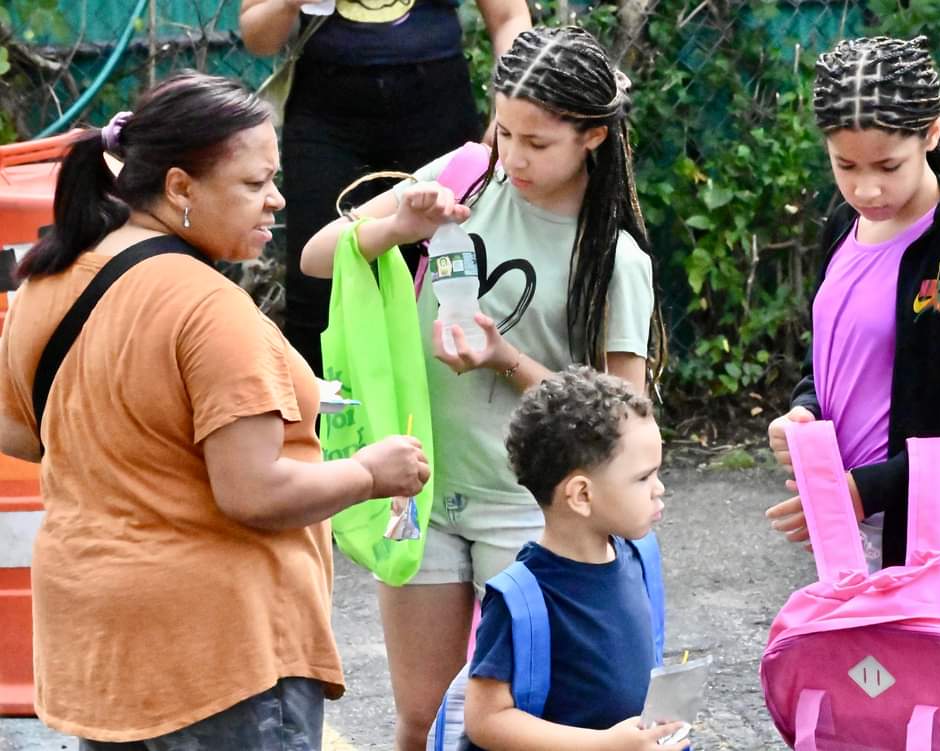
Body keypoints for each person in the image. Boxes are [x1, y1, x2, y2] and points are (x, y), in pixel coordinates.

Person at [0, 71, 430, 750]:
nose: (277, 200)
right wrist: (373, 473)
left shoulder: (49, 278)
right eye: (255, 184)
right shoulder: (208, 308)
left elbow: (21, 432)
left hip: (102, 649)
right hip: (219, 657)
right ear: (179, 188)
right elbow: (254, 490)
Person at [301, 26, 668, 749]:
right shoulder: (468, 170)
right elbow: (319, 257)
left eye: (538, 142)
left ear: (593, 135)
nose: (514, 157)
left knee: (532, 719)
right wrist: (395, 224)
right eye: (505, 131)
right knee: (420, 714)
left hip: (531, 514)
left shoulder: (612, 256)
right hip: (422, 491)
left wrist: (506, 358)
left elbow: (629, 421)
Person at [765, 36, 940, 647]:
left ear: (931, 134)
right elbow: (841, 360)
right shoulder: (842, 226)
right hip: (846, 542)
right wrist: (804, 410)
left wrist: (870, 490)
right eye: (846, 166)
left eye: (887, 166)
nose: (866, 189)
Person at [238, 0, 531, 376]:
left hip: (436, 107)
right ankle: (319, 425)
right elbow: (258, 37)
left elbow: (509, 17)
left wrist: (509, 104)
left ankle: (438, 413)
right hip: (326, 115)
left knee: (444, 269)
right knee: (317, 288)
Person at [463, 366, 686, 751]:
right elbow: (486, 720)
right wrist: (604, 745)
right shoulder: (520, 599)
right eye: (643, 478)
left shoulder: (638, 557)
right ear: (581, 495)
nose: (659, 489)